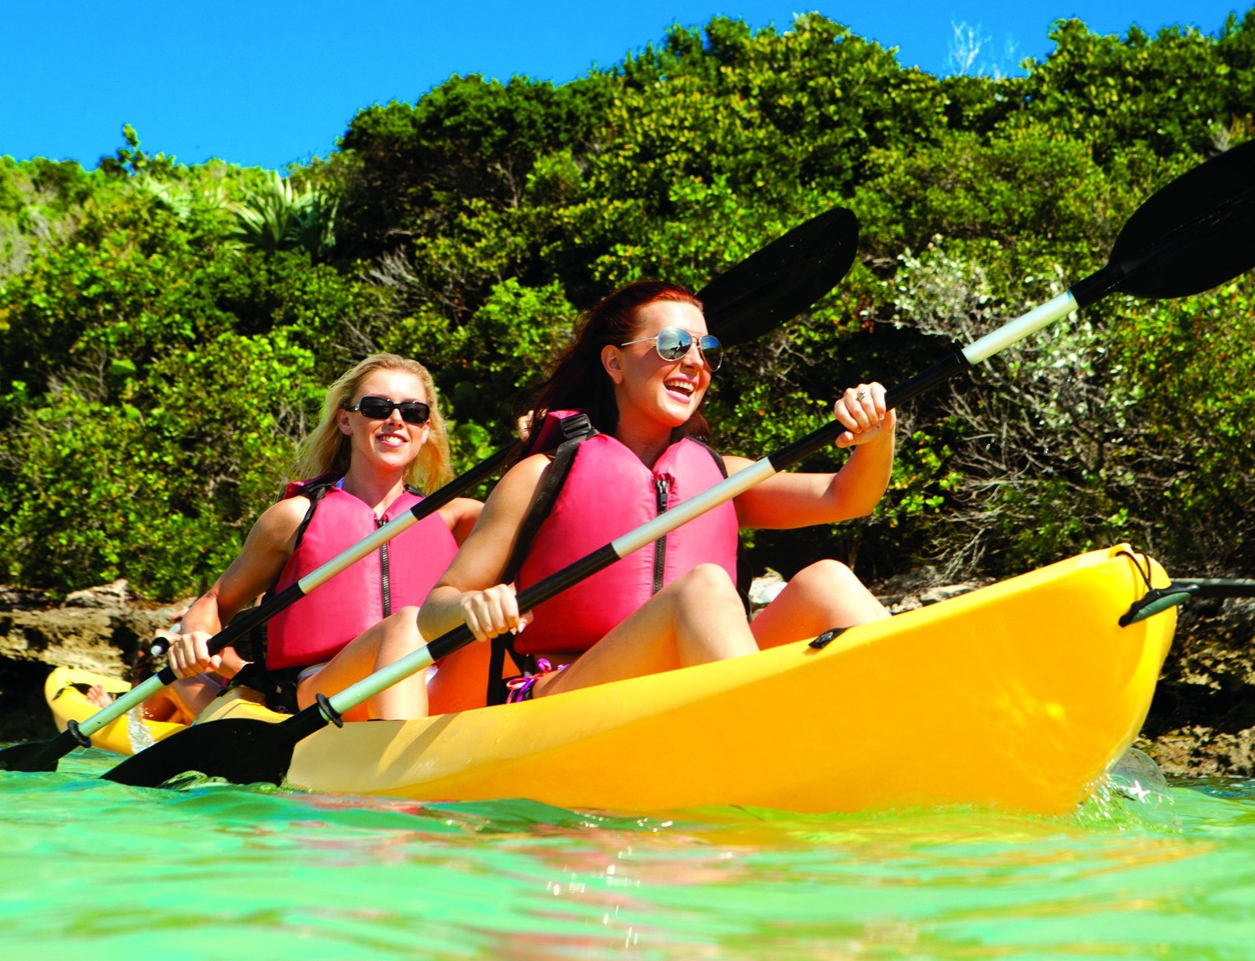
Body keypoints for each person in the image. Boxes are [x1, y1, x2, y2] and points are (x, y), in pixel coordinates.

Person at [329, 279, 893, 720]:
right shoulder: (541, 474)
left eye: (707, 350)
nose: (694, 363)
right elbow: (434, 610)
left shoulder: (719, 474)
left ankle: (929, 715)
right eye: (673, 345)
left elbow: (848, 495)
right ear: (615, 363)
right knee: (700, 591)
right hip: (562, 692)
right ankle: (760, 741)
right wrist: (474, 607)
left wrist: (876, 434)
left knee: (828, 582)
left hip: (698, 683)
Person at [160, 353, 482, 717]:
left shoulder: (451, 516)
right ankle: (398, 761)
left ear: (425, 430)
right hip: (325, 688)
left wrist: (541, 442)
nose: (396, 419)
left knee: (500, 618)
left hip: (432, 683)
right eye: (378, 407)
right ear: (346, 420)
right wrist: (195, 635)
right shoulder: (295, 516)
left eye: (413, 412)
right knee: (407, 625)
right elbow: (217, 601)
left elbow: (536, 515)